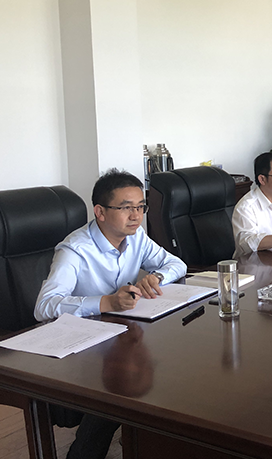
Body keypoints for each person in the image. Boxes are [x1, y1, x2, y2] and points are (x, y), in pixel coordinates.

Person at [34, 168, 187, 459]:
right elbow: (44, 306)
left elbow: (176, 264)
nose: (136, 216)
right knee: (122, 387)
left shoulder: (137, 237)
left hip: (119, 336)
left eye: (141, 206)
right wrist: (105, 303)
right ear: (100, 212)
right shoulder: (75, 250)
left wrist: (156, 277)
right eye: (126, 208)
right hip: (80, 346)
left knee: (171, 369)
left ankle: (146, 443)